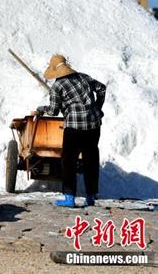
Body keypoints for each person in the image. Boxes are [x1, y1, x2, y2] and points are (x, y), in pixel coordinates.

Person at [36, 54, 106, 208]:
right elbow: (102, 88)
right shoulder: (83, 77)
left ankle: (69, 198)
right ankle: (90, 196)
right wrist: (97, 108)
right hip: (93, 125)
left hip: (74, 128)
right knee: (91, 159)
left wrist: (41, 110)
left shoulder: (57, 86)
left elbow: (53, 111)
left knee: (69, 161)